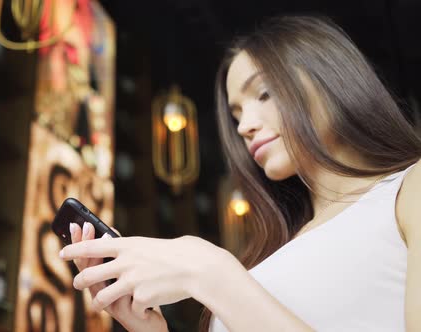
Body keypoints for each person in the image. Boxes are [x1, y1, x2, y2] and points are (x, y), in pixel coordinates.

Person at [59, 15, 421, 331]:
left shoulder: (409, 188)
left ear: (331, 77)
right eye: (236, 116)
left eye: (263, 94)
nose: (245, 126)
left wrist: (211, 273)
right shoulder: (272, 252)